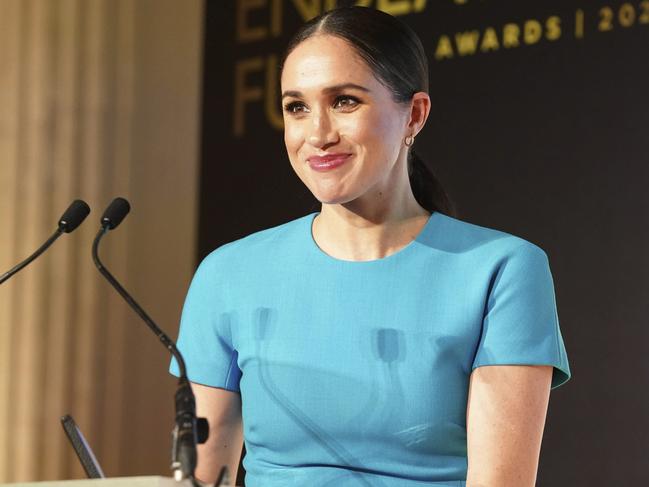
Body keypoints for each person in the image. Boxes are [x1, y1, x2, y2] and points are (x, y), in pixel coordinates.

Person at [170, 6, 570, 487]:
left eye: (344, 102)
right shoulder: (227, 274)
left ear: (414, 115)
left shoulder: (501, 270)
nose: (317, 134)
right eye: (296, 107)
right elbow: (198, 479)